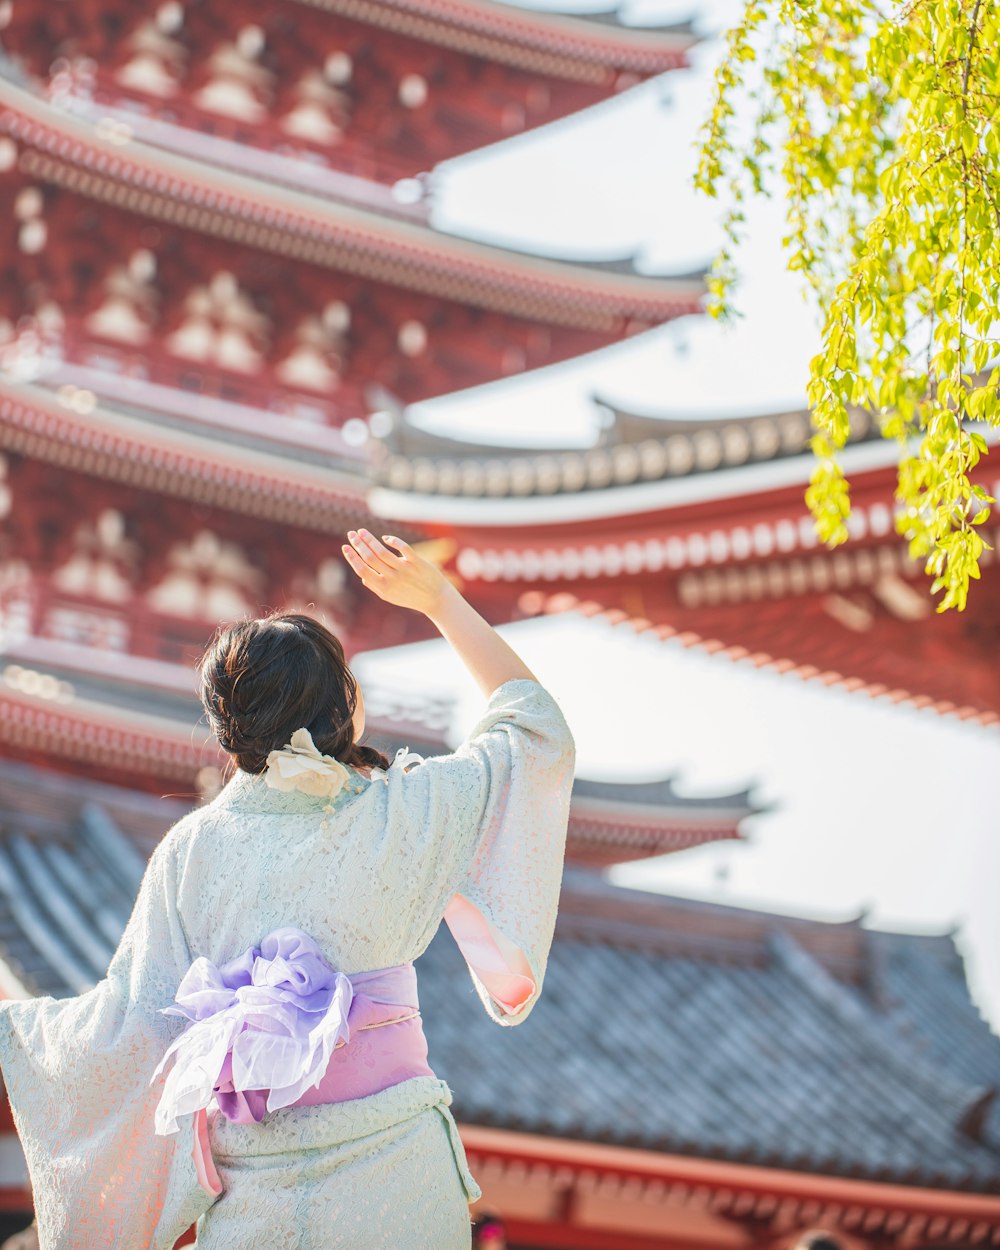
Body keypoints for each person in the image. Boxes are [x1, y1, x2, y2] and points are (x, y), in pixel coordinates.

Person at [0, 529, 575, 1250]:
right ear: (346, 706)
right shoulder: (406, 810)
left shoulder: (193, 849)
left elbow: (129, 1020)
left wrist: (15, 1031)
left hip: (256, 1195)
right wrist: (440, 602)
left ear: (226, 729)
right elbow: (534, 729)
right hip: (399, 1182)